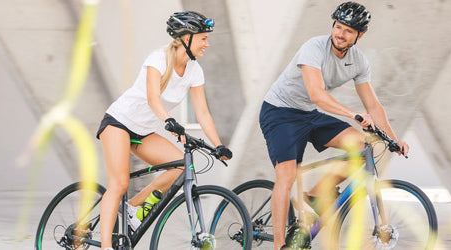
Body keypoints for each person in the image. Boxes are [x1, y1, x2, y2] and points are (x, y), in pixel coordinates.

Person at [258, 2, 408, 248]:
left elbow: (373, 105)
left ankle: (317, 194)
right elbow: (316, 94)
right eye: (338, 27)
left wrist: (393, 139)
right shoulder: (314, 47)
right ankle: (279, 244)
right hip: (279, 112)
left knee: (365, 146)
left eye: (348, 31)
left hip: (308, 113)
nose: (340, 33)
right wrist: (352, 114)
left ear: (359, 35)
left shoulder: (359, 62)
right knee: (286, 176)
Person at [94, 11, 232, 250]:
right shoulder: (158, 59)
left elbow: (203, 113)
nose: (207, 44)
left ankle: (131, 208)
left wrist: (218, 144)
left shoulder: (194, 71)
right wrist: (169, 121)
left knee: (179, 167)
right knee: (120, 183)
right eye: (203, 38)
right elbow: (152, 98)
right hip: (118, 122)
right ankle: (106, 246)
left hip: (143, 131)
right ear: (186, 38)